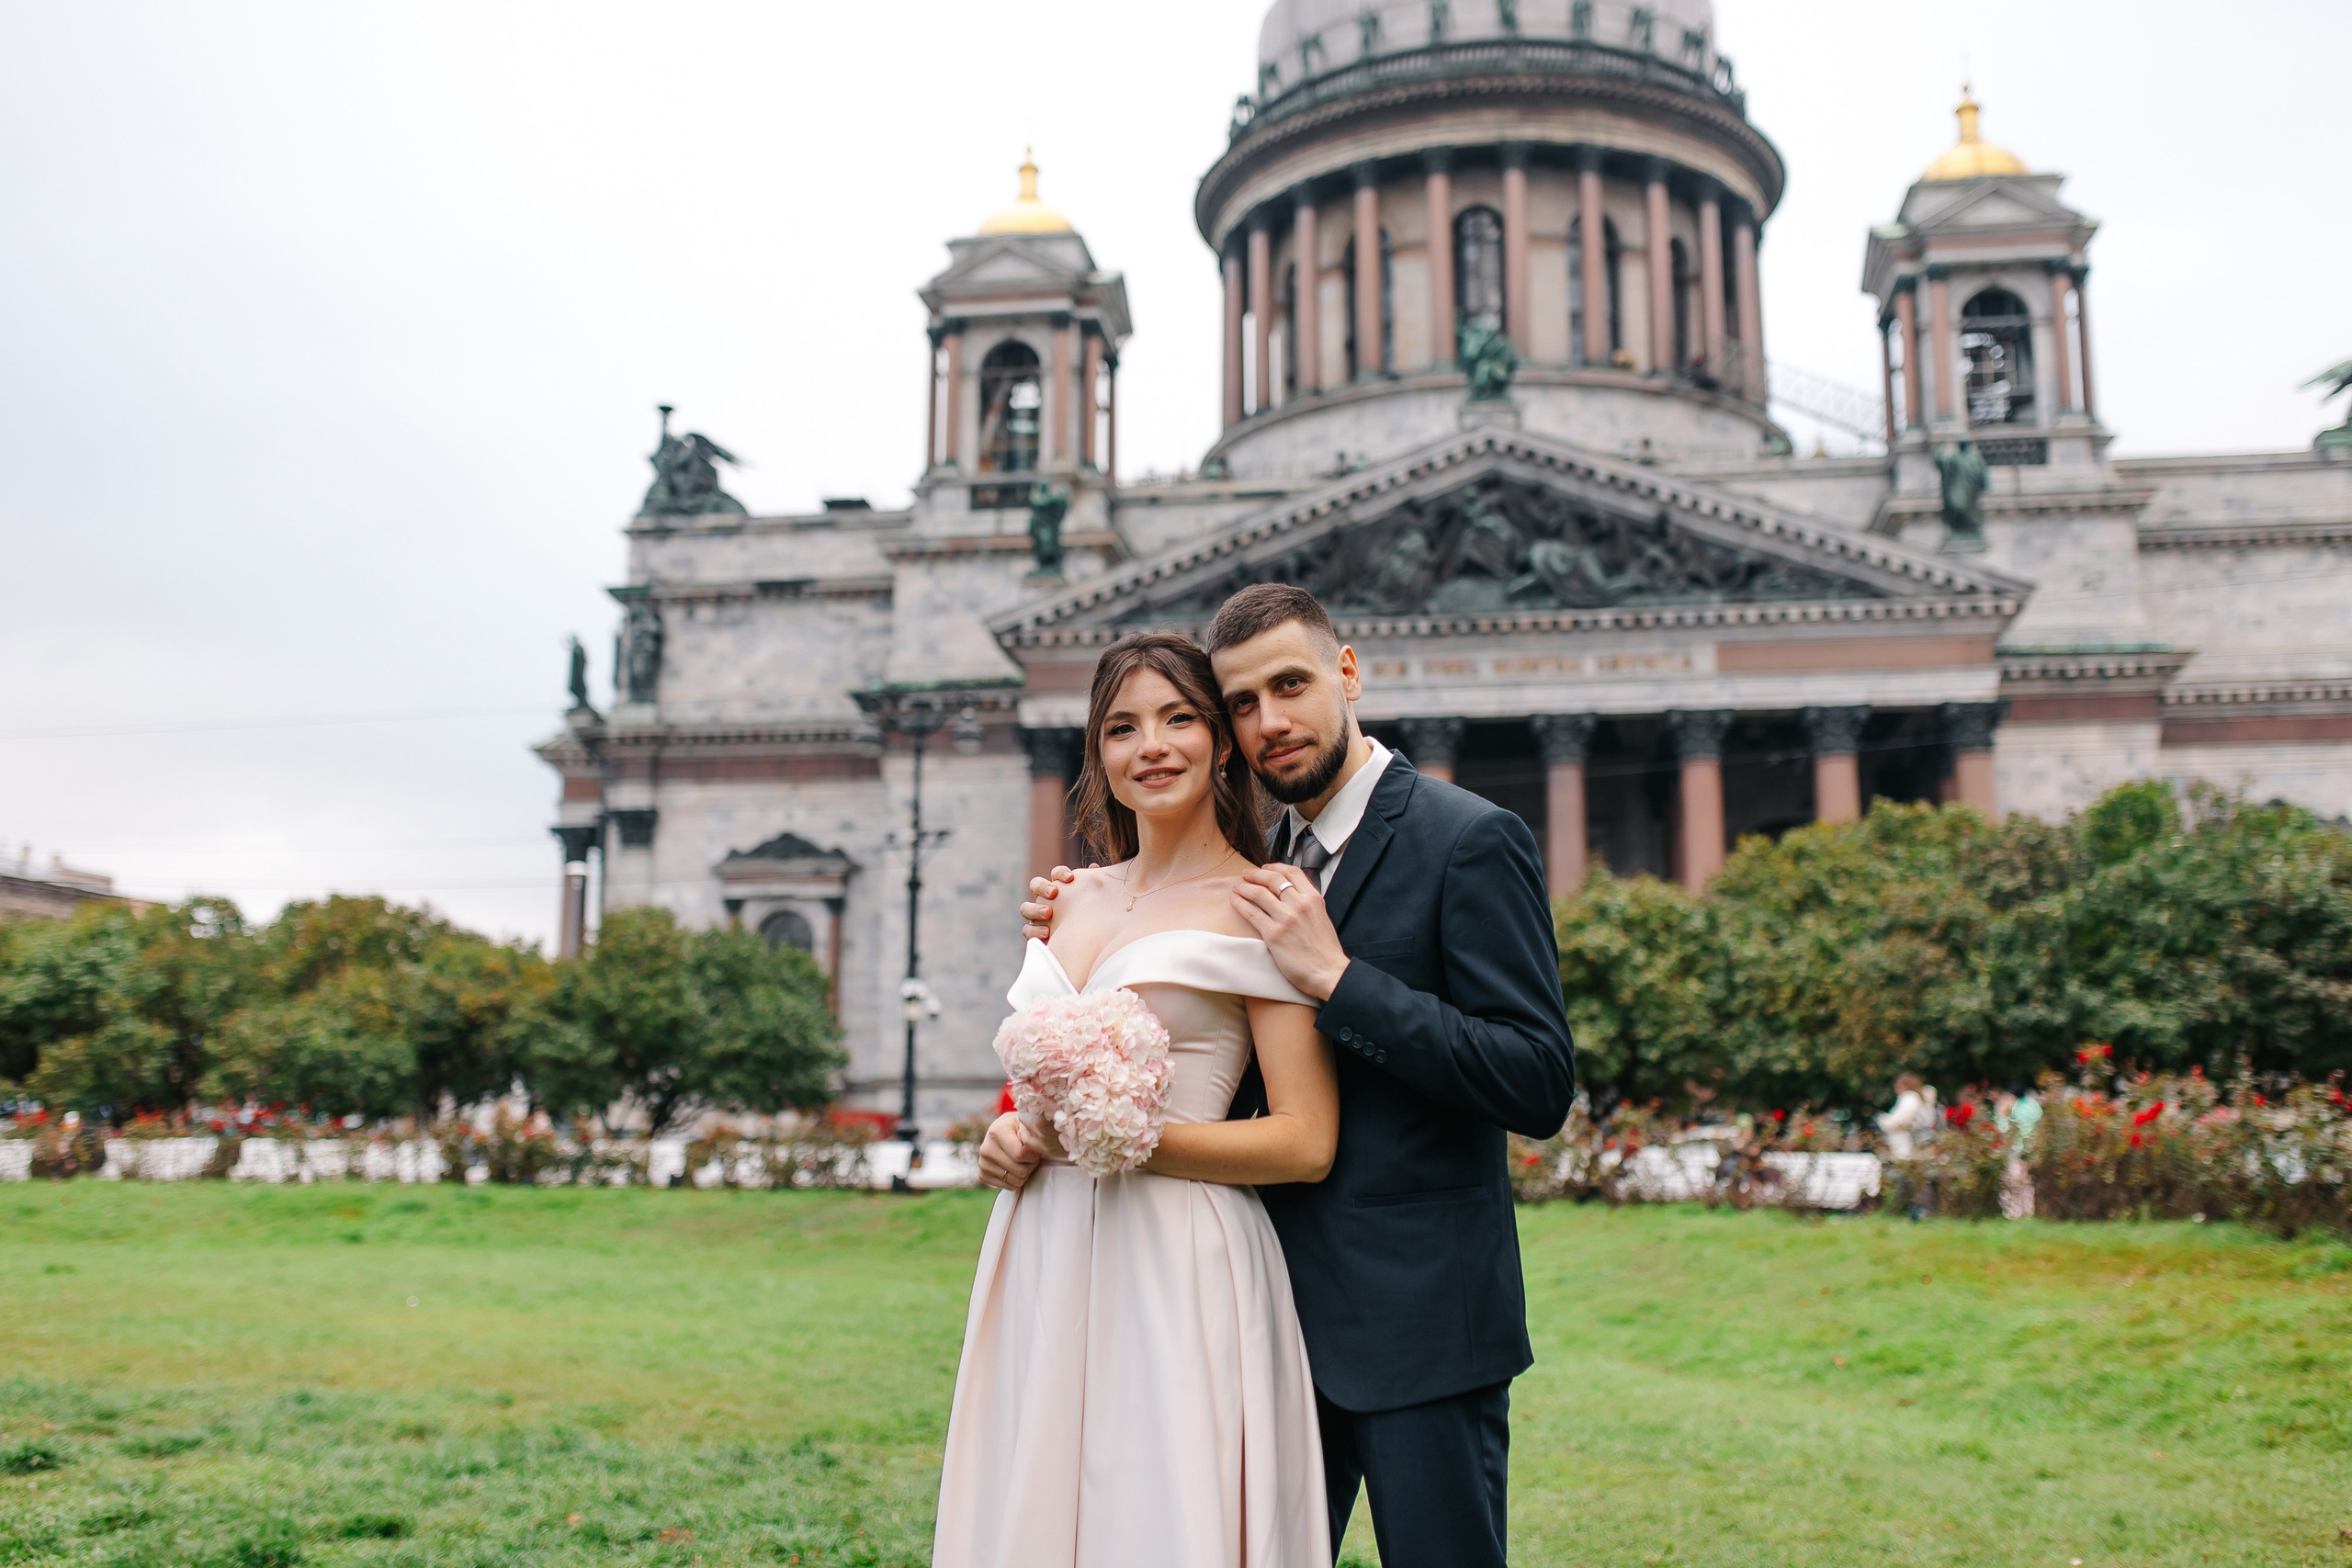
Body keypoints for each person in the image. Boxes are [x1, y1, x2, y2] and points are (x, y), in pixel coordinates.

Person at [993, 584, 1577, 1568]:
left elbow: (1536, 1079)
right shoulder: (1252, 862)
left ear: (1346, 674)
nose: (1270, 723)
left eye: (1291, 686)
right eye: (1242, 704)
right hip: (1240, 1307)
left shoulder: (1466, 838)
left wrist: (1340, 982)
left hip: (1416, 1325)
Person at [933, 631, 1339, 1568]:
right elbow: (1041, 1084)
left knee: (1156, 1505)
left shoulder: (1265, 900)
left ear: (1222, 742)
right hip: (1039, 1243)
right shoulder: (1069, 899)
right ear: (1097, 754)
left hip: (1177, 1252)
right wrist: (1011, 1132)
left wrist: (1124, 1140)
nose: (1148, 746)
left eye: (1177, 719)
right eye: (1120, 728)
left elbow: (1306, 1140)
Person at [1877, 1072, 1939, 1160]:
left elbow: (1898, 1121)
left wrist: (1883, 1121)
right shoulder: (1921, 1099)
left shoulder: (1910, 1098)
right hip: (1923, 1142)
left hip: (1908, 1144)